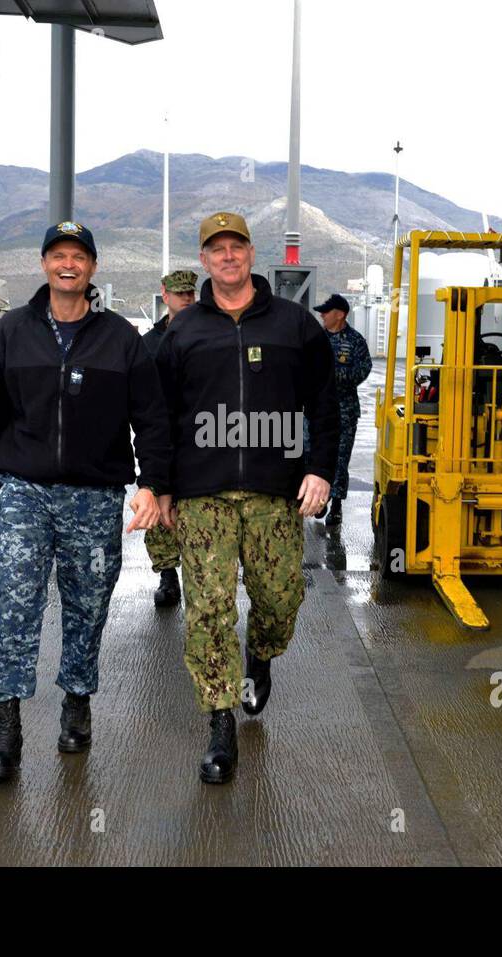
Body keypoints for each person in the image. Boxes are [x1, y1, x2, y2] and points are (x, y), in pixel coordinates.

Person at [0, 221, 171, 781]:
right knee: (16, 603)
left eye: (78, 256)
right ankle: (7, 728)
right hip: (24, 491)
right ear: (44, 265)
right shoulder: (12, 332)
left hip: (95, 496)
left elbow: (150, 417)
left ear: (93, 268)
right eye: (58, 255)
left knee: (87, 605)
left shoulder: (121, 338)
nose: (68, 264)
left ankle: (77, 700)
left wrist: (151, 482)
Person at [155, 212, 339, 785]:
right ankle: (219, 722)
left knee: (280, 598)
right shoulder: (181, 333)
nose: (228, 256)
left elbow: (325, 405)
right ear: (204, 260)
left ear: (251, 254)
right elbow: (157, 419)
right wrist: (159, 486)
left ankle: (260, 656)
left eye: (237, 247)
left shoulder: (294, 325)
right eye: (217, 249)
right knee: (208, 607)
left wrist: (320, 471)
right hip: (201, 494)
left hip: (274, 491)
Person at [141, 269, 197, 608]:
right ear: (166, 296)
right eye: (180, 294)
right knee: (159, 500)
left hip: (199, 437)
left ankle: (198, 574)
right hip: (163, 436)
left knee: (194, 509)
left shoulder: (209, 332)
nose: (187, 299)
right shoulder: (149, 342)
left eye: (191, 293)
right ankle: (167, 574)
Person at [311, 293, 372, 527]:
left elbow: (364, 368)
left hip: (344, 410)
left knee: (340, 458)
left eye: (326, 312)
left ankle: (336, 505)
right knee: (313, 453)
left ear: (340, 314)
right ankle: (320, 499)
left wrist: (337, 377)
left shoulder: (355, 341)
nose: (322, 315)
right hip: (316, 409)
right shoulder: (317, 338)